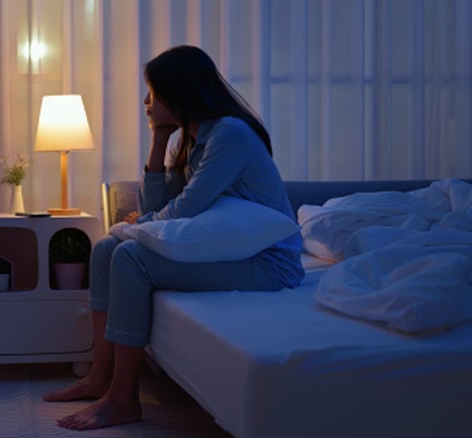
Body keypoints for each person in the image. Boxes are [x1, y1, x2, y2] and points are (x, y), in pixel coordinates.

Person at [43, 45, 305, 431]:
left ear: (180, 92)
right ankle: (101, 374)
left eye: (154, 92)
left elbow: (184, 210)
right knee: (105, 250)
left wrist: (140, 225)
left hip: (268, 263)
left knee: (129, 257)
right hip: (229, 250)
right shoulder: (193, 139)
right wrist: (158, 139)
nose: (146, 102)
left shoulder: (229, 134)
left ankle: (123, 398)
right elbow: (157, 202)